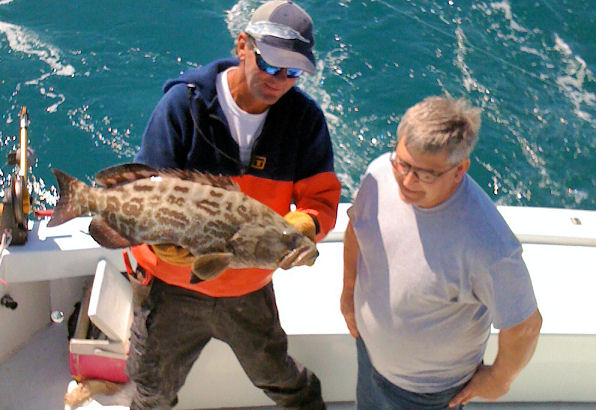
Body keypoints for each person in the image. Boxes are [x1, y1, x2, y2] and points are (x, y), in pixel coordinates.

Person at [126, 1, 341, 408]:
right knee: (151, 385)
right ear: (243, 45)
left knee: (279, 376)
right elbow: (144, 194)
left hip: (249, 285)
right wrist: (159, 244)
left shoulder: (305, 120)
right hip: (171, 286)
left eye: (293, 72)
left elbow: (321, 200)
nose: (279, 80)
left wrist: (304, 228)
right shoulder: (182, 106)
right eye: (270, 63)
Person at [340, 95, 542, 409]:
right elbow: (357, 227)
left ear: (460, 168)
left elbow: (525, 325)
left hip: (427, 396)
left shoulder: (489, 246)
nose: (406, 181)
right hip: (368, 355)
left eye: (425, 174)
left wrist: (499, 381)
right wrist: (349, 291)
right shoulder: (379, 173)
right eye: (402, 163)